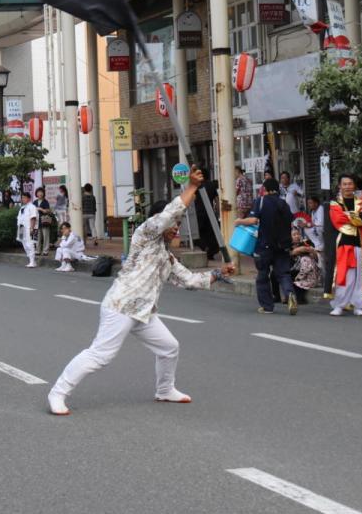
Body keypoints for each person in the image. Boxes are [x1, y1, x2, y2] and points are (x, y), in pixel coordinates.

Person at [47, 168, 232, 416]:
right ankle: (58, 392)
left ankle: (165, 389)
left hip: (143, 313)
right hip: (121, 306)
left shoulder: (166, 257)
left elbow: (190, 280)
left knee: (169, 347)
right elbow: (169, 214)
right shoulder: (144, 234)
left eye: (178, 224)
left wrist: (220, 273)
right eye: (173, 224)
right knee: (101, 355)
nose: (176, 227)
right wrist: (190, 188)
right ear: (157, 222)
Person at [235, 178, 296, 315]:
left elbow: (254, 219)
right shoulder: (284, 204)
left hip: (265, 245)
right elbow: (290, 222)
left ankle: (267, 307)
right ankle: (290, 293)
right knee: (283, 273)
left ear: (265, 189)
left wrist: (239, 221)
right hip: (283, 246)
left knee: (263, 275)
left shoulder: (261, 201)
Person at [322, 174, 362, 316]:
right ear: (340, 186)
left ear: (354, 186)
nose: (347, 186)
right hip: (343, 243)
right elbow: (338, 220)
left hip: (360, 243)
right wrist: (355, 217)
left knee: (360, 275)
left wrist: (349, 216)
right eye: (344, 184)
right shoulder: (335, 204)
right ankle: (339, 305)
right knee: (344, 275)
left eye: (350, 184)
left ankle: (358, 305)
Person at [289, 221, 321, 303]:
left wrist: (311, 251)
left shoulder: (306, 243)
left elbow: (316, 258)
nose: (297, 236)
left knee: (306, 260)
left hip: (306, 273)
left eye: (298, 234)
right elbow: (291, 254)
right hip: (292, 271)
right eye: (294, 235)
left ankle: (299, 298)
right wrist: (298, 250)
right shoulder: (288, 245)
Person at [17, 191, 39, 268]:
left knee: (30, 244)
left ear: (29, 198)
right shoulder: (22, 207)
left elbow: (33, 217)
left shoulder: (32, 207)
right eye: (22, 198)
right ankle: (30, 260)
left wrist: (32, 228)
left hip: (31, 228)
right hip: (22, 228)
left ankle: (33, 261)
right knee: (25, 244)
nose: (23, 199)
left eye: (24, 198)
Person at [34, 187, 55, 256]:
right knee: (38, 237)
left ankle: (45, 251)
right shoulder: (35, 202)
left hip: (44, 221)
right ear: (36, 193)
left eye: (41, 192)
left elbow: (48, 211)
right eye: (38, 192)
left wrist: (41, 209)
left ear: (43, 194)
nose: (40, 193)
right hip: (37, 222)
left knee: (46, 236)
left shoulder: (45, 201)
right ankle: (37, 250)